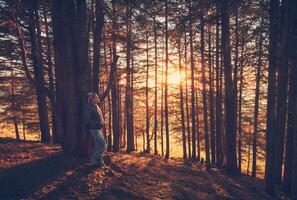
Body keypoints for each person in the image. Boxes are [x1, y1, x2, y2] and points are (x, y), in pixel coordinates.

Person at [83, 93, 107, 166]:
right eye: (95, 98)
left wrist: (102, 123)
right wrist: (98, 123)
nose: (97, 98)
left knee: (98, 146)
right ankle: (93, 159)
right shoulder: (89, 108)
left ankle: (100, 162)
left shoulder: (96, 106)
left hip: (99, 129)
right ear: (91, 99)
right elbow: (87, 120)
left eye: (97, 97)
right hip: (94, 130)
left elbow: (100, 117)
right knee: (103, 145)